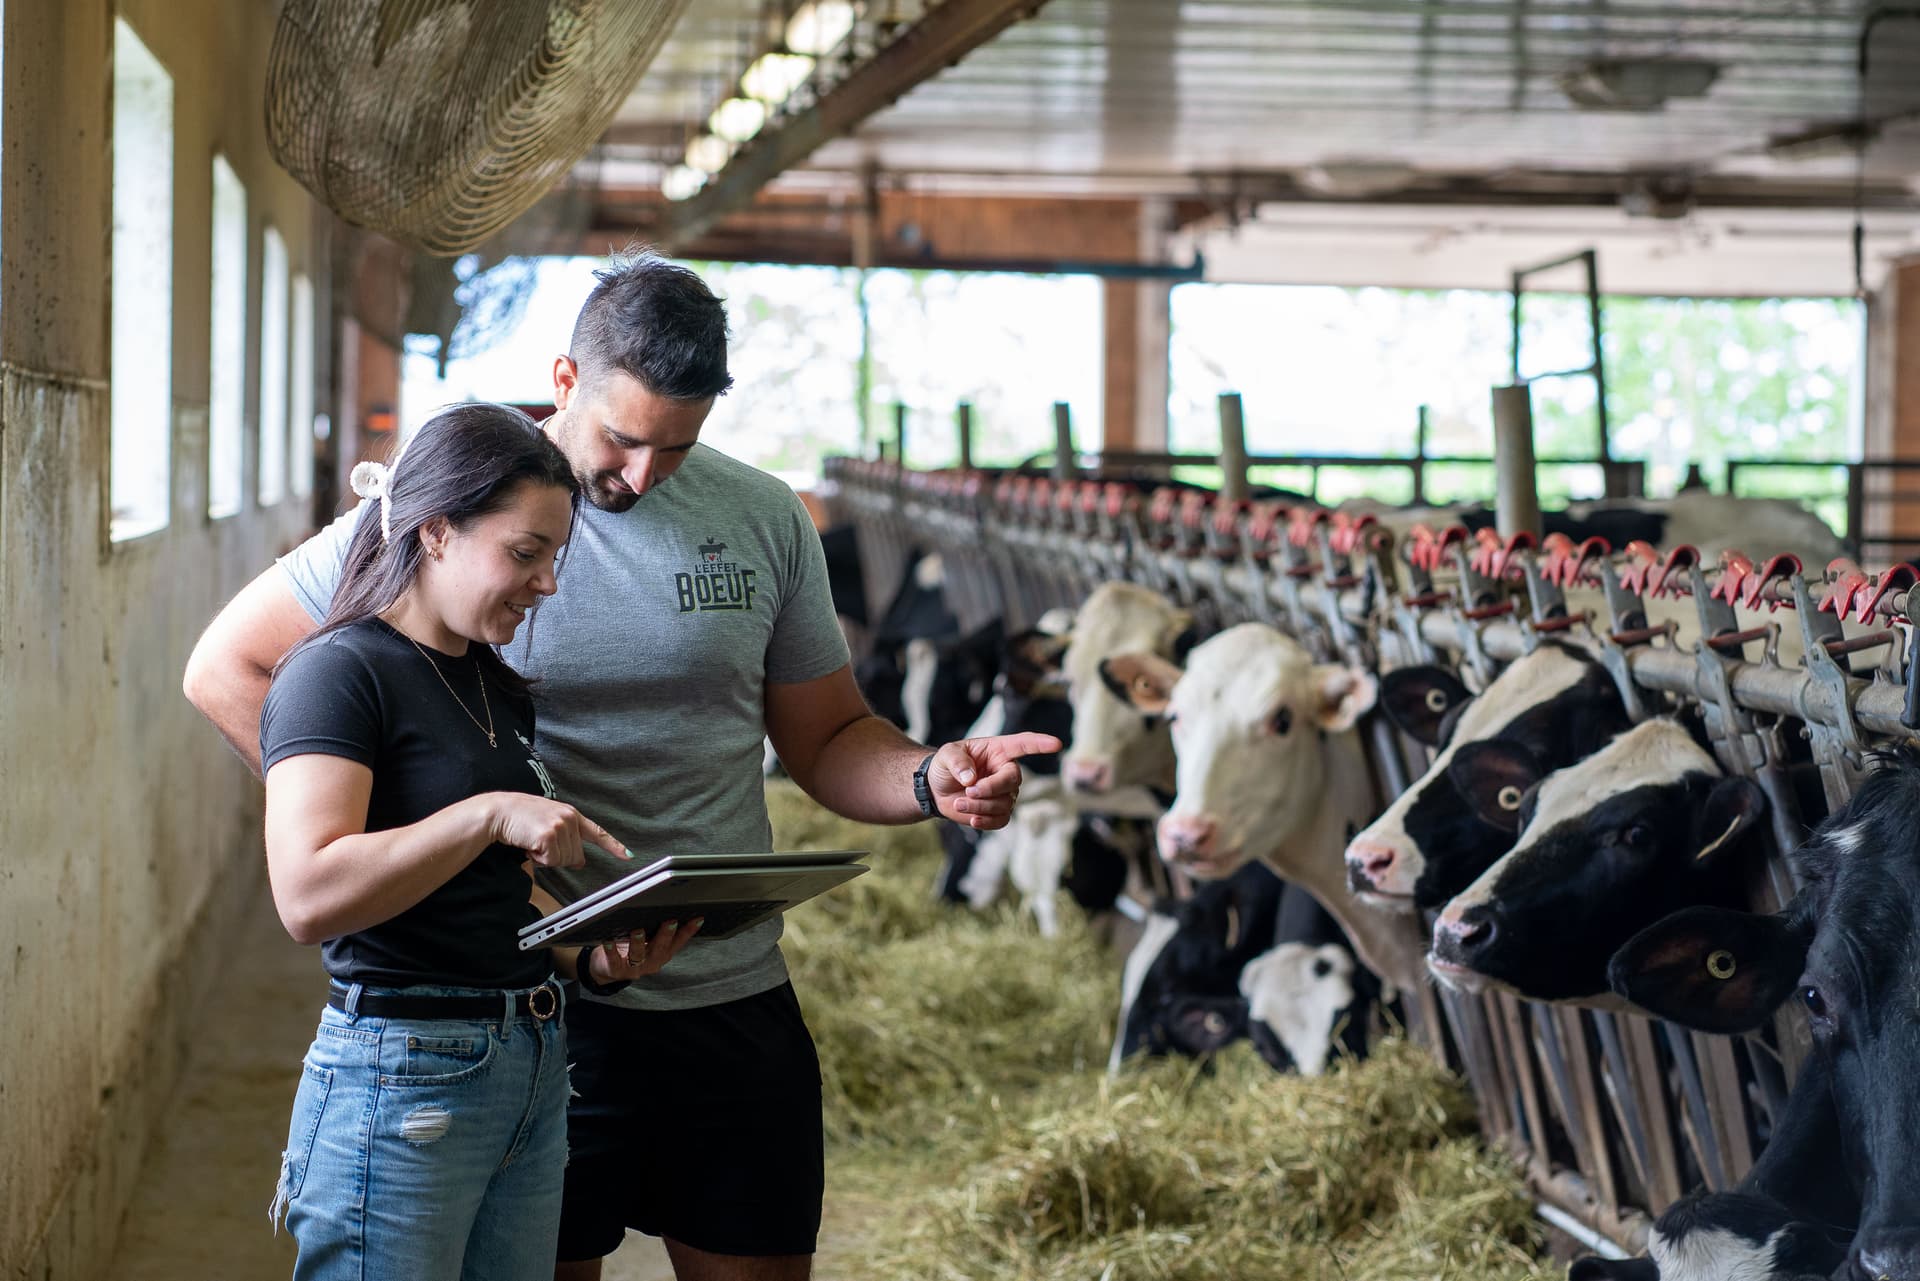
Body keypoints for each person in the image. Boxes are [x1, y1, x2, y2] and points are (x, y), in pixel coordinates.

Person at [185, 252, 1059, 1281]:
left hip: (725, 988)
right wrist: (393, 851)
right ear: (565, 381)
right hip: (539, 999)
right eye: (622, 439)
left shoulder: (763, 517)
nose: (642, 476)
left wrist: (928, 777)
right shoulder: (463, 507)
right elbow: (229, 668)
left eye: (676, 447)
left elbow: (826, 738)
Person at [258, 403, 701, 1280]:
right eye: (525, 553)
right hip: (404, 1074)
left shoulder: (493, 684)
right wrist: (489, 813)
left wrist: (588, 957)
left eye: (555, 557)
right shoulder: (338, 671)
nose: (547, 584)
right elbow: (305, 894)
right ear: (435, 531)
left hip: (528, 1057)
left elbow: (490, 893)